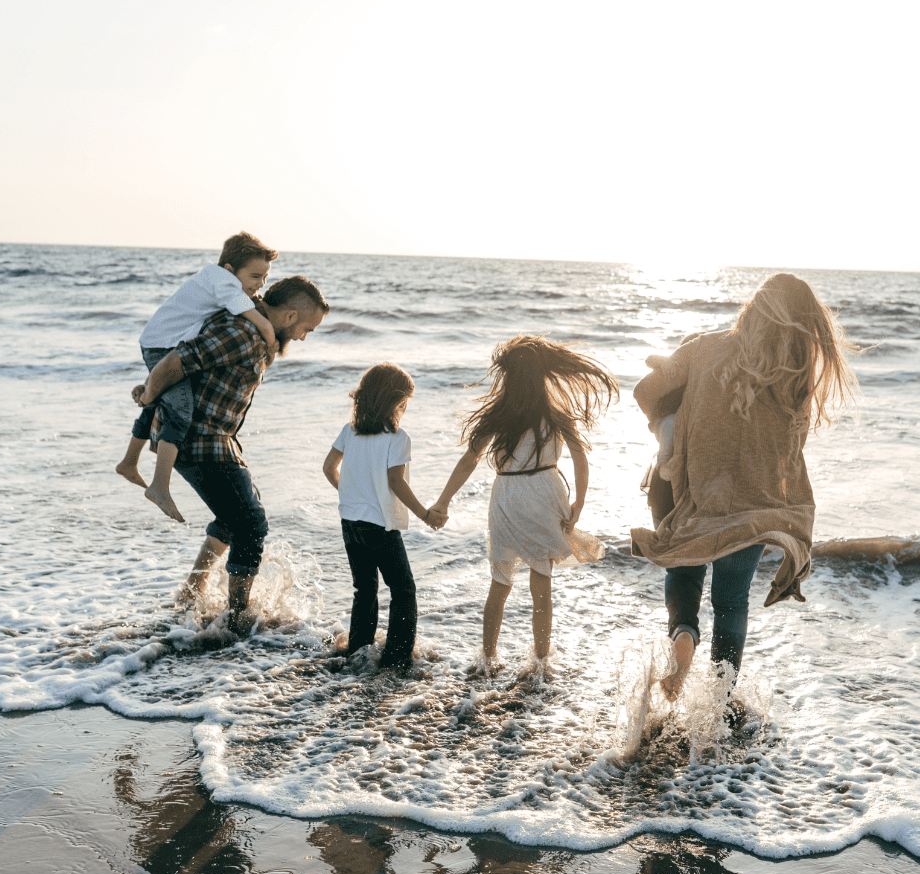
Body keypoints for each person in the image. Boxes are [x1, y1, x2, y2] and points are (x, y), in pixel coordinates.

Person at [629, 273, 859, 703]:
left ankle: (682, 637)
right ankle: (718, 704)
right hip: (754, 508)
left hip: (695, 494)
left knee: (685, 571)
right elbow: (792, 447)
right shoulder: (793, 378)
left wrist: (671, 422)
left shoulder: (702, 348)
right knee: (731, 603)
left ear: (753, 308)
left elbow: (646, 390)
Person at [131, 274, 329, 637]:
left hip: (218, 439)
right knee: (251, 524)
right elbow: (178, 361)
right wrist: (148, 395)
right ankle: (238, 619)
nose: (303, 336)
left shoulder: (257, 334)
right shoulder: (243, 334)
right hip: (198, 440)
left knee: (235, 514)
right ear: (288, 317)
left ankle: (190, 593)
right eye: (307, 328)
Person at [429, 336, 616, 673]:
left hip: (507, 497)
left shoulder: (498, 414)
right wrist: (580, 501)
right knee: (541, 584)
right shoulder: (557, 413)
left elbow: (469, 461)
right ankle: (542, 662)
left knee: (500, 583)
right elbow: (579, 458)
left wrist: (443, 502)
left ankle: (487, 658)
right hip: (545, 491)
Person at [117, 231, 281, 523]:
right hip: (162, 346)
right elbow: (258, 321)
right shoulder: (224, 282)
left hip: (161, 341)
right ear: (230, 270)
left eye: (265, 278)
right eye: (255, 277)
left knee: (158, 402)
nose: (260, 286)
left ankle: (129, 462)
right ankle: (159, 486)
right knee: (180, 412)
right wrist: (270, 341)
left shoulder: (216, 280)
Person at [321, 363, 444, 669]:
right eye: (404, 404)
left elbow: (328, 468)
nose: (405, 410)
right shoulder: (397, 438)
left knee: (365, 589)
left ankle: (358, 652)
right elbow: (396, 481)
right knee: (403, 590)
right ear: (395, 402)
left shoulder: (349, 431)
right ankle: (398, 656)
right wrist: (425, 514)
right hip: (380, 526)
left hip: (350, 521)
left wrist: (350, 494)